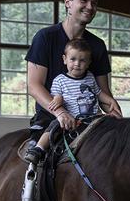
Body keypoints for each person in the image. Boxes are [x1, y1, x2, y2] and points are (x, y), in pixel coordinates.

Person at [3, 0, 122, 201]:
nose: (89, 6)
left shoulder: (98, 46)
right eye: (83, 0)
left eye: (94, 2)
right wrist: (58, 114)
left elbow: (102, 91)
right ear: (68, 3)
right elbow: (34, 84)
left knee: (120, 164)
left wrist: (113, 107)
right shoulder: (46, 38)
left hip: (89, 121)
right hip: (51, 119)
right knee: (38, 167)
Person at [22, 38, 116, 166]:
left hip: (93, 119)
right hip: (72, 120)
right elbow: (56, 96)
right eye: (73, 59)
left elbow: (98, 93)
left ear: (88, 62)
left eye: (82, 60)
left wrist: (110, 101)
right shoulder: (60, 80)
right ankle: (38, 149)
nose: (77, 64)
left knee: (111, 127)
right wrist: (57, 99)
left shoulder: (90, 77)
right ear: (65, 59)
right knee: (54, 126)